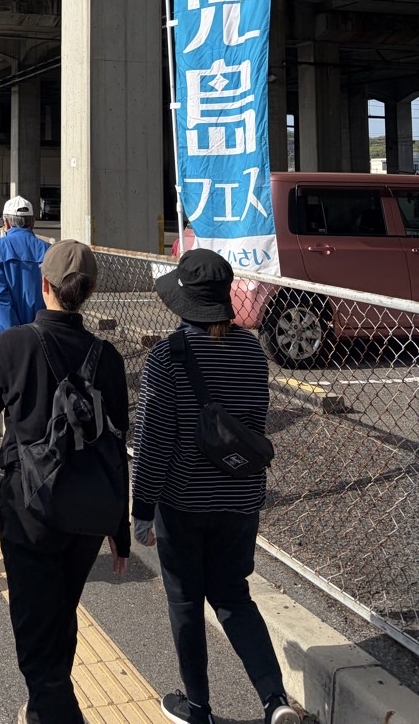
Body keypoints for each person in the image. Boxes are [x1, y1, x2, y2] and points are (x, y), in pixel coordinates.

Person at [132, 250, 299, 724]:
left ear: (183, 302)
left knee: (186, 601)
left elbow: (153, 441)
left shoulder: (167, 357)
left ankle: (199, 707)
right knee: (233, 596)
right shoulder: (252, 352)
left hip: (183, 500)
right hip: (240, 497)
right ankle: (274, 701)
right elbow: (251, 423)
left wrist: (142, 507)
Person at [0, 239, 129, 724]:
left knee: (34, 633)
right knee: (60, 615)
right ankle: (41, 709)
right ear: (92, 291)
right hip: (87, 514)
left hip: (28, 509)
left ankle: (55, 711)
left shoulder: (16, 343)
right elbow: (116, 445)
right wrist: (118, 531)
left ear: (44, 286)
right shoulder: (108, 358)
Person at [0, 195, 50, 341]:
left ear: (6, 222)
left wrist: (14, 331)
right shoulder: (48, 250)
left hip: (4, 332)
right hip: (39, 330)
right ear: (32, 223)